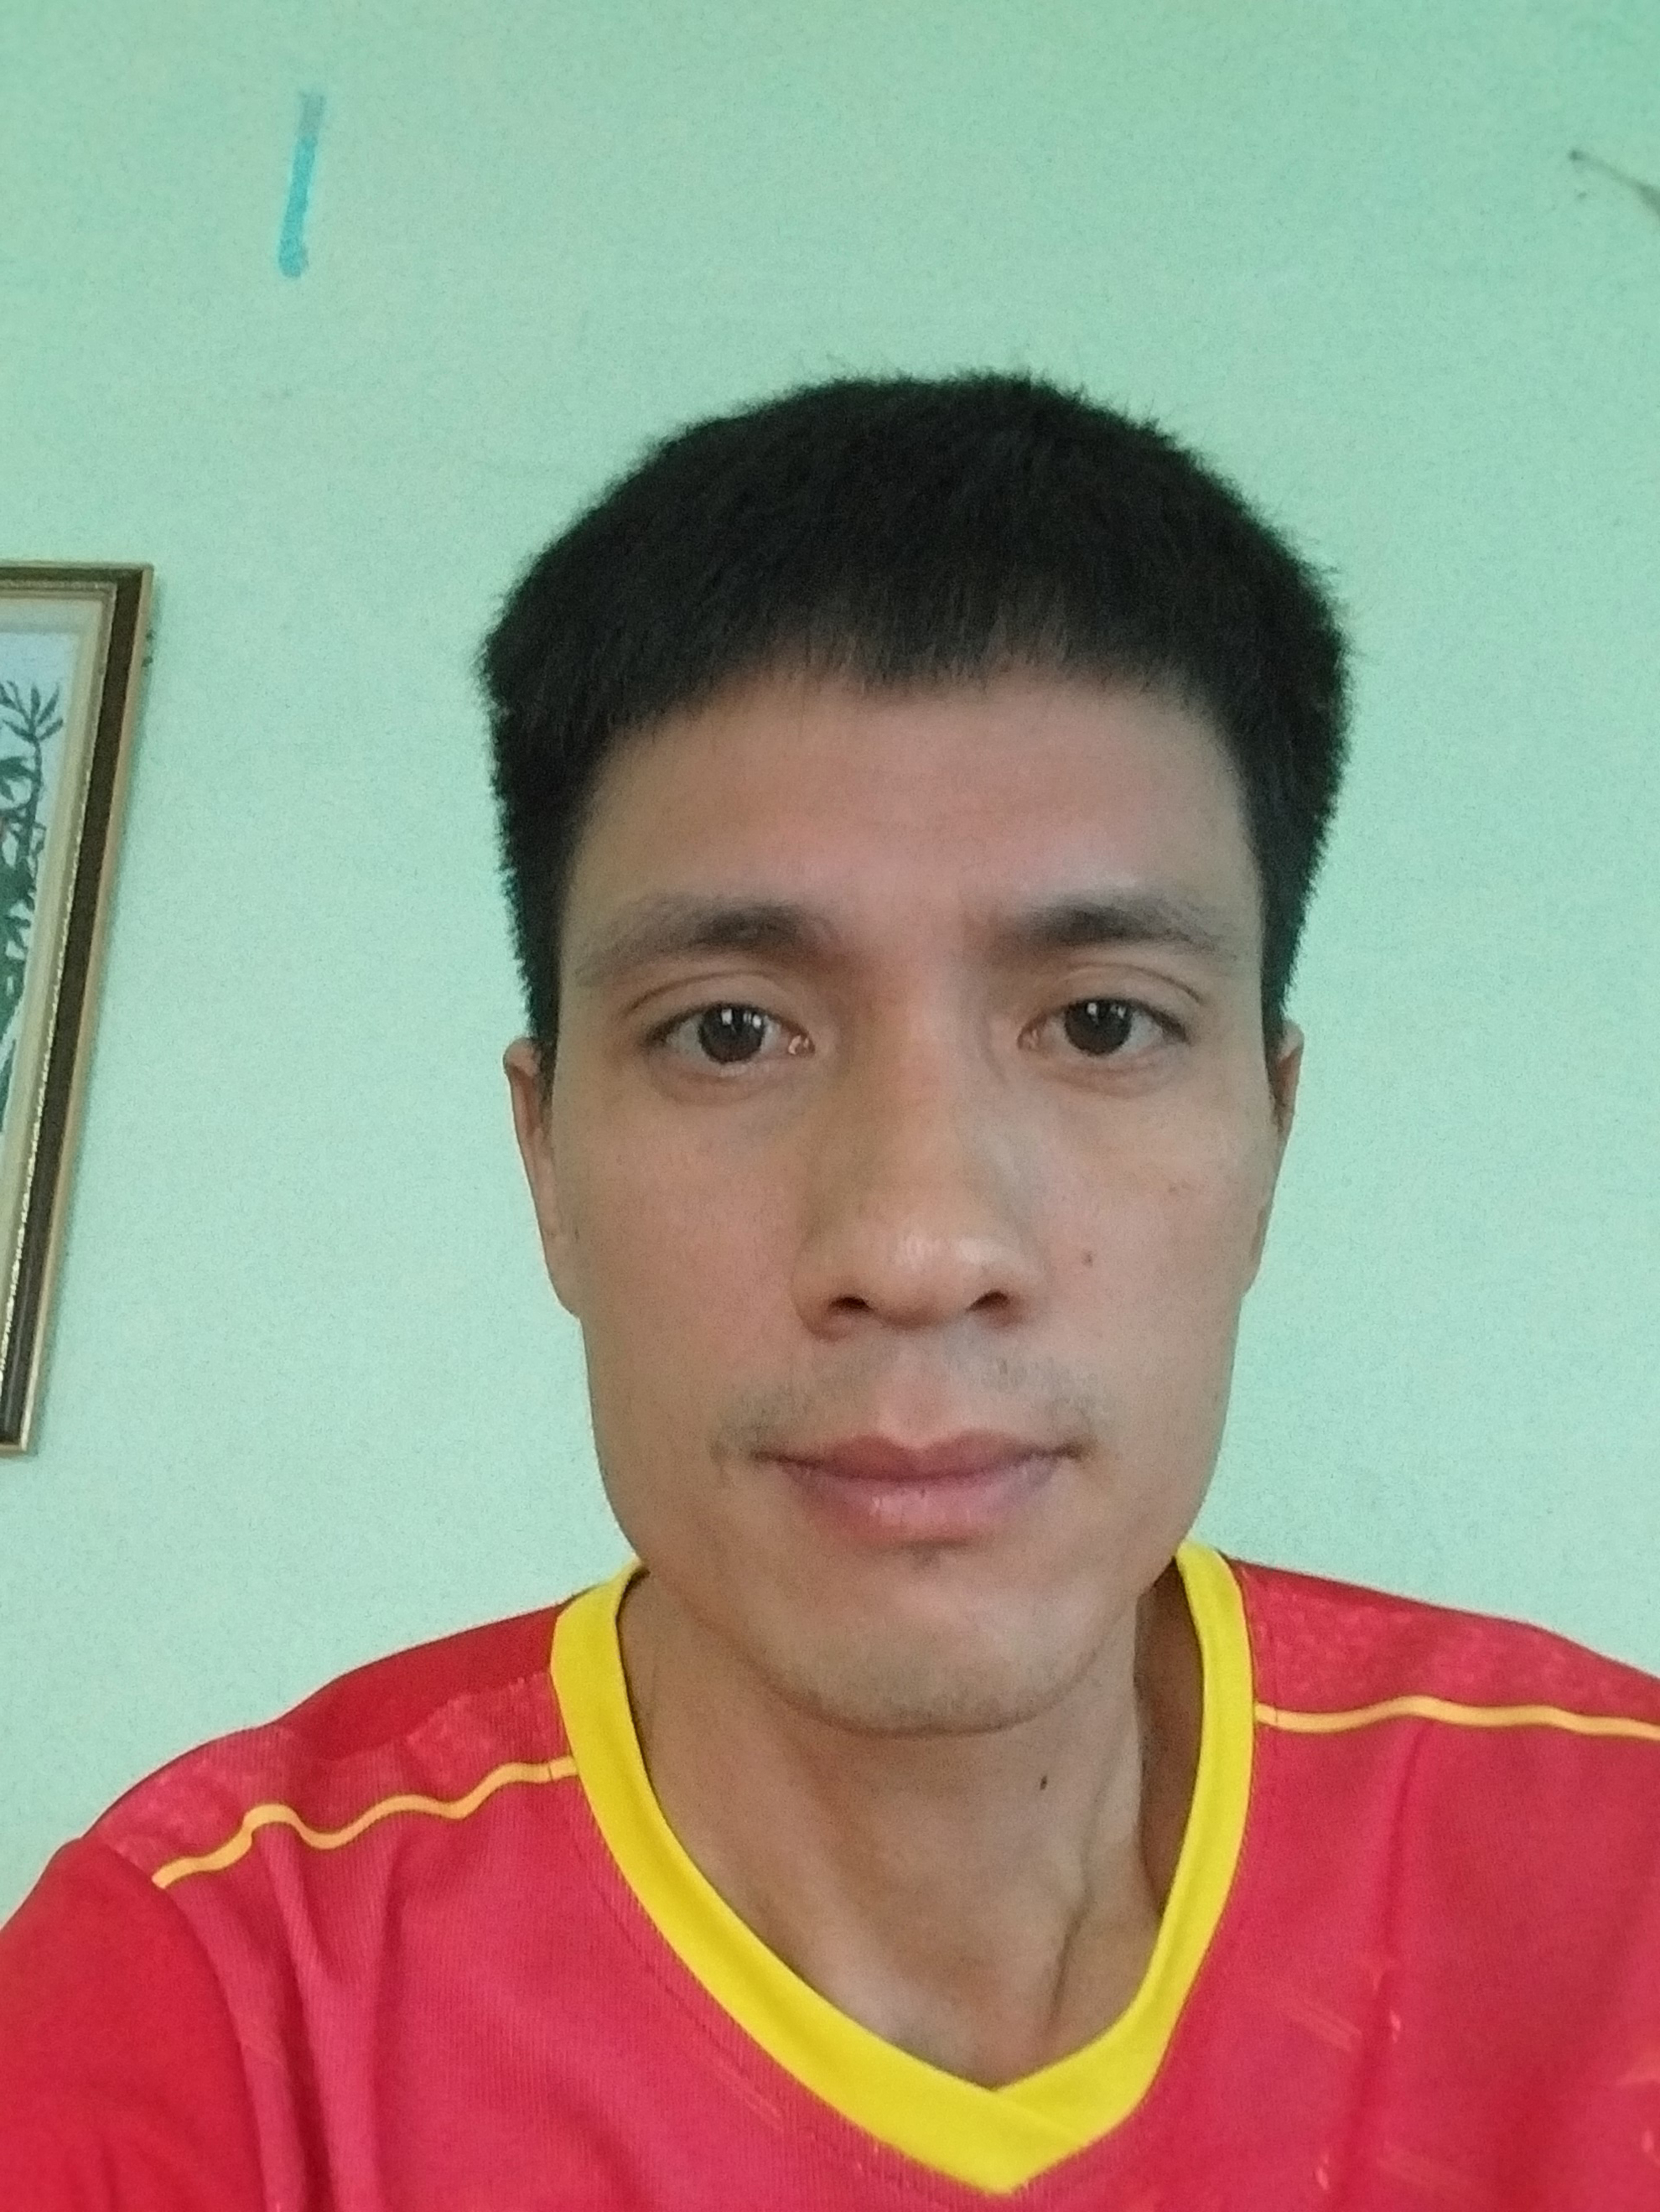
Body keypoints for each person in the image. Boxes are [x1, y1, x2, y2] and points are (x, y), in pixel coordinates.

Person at [3, 373, 1657, 2211]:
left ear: (1271, 1135)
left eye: (1104, 1024)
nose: (918, 1246)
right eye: (730, 1031)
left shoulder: (1618, 1884)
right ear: (547, 1165)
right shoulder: (213, 2011)